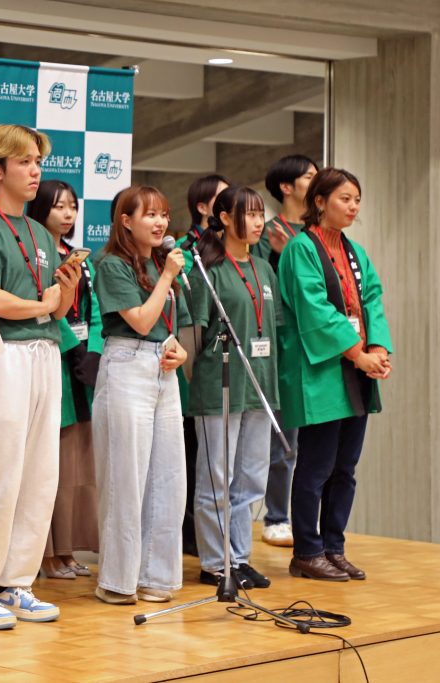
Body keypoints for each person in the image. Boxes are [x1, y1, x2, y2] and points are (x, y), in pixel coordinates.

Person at [0, 124, 81, 630]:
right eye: (24, 162)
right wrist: (47, 303)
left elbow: (56, 307)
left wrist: (63, 291)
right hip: (0, 350)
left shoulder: (41, 233)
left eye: (38, 163)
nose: (35, 172)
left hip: (44, 350)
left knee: (39, 470)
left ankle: (16, 580)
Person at [278, 167, 392, 582]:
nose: (354, 207)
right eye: (345, 198)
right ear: (320, 201)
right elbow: (315, 311)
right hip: (321, 370)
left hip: (356, 369)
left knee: (346, 468)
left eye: (357, 200)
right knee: (316, 466)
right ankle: (307, 551)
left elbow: (373, 299)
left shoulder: (355, 252)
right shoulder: (300, 249)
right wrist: (358, 354)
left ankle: (334, 546)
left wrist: (377, 348)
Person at [91, 185, 190, 605]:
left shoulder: (163, 267)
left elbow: (171, 328)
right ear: (125, 221)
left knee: (169, 477)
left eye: (164, 214)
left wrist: (180, 352)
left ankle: (156, 577)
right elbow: (140, 321)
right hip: (127, 366)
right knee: (125, 478)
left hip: (162, 369)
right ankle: (117, 580)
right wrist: (167, 274)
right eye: (149, 214)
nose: (160, 222)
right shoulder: (111, 264)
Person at [188, 186, 281, 591]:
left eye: (261, 214)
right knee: (217, 480)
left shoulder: (264, 268)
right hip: (218, 389)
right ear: (224, 218)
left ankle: (240, 558)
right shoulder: (206, 269)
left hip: (260, 388)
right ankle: (214, 562)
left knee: (251, 480)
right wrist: (200, 383)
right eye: (250, 214)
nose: (259, 222)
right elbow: (193, 340)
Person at [27, 179, 102, 581]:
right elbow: (46, 308)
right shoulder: (36, 255)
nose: (68, 213)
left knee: (77, 465)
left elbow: (97, 310)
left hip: (83, 368)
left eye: (72, 206)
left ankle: (68, 548)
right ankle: (44, 553)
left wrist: (94, 350)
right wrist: (72, 345)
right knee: (51, 460)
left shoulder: (80, 257)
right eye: (59, 206)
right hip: (53, 358)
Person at [253, 155, 317, 549]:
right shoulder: (266, 233)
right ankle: (276, 515)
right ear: (286, 187)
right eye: (309, 176)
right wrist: (280, 254)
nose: (317, 180)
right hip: (281, 344)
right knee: (284, 437)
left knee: (318, 440)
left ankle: (309, 519)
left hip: (317, 345)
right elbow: (261, 288)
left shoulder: (315, 232)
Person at [178, 173, 229, 556]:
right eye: (223, 199)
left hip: (230, 370)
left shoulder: (234, 250)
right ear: (202, 207)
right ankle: (190, 535)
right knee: (193, 457)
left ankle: (223, 542)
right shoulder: (183, 249)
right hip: (190, 366)